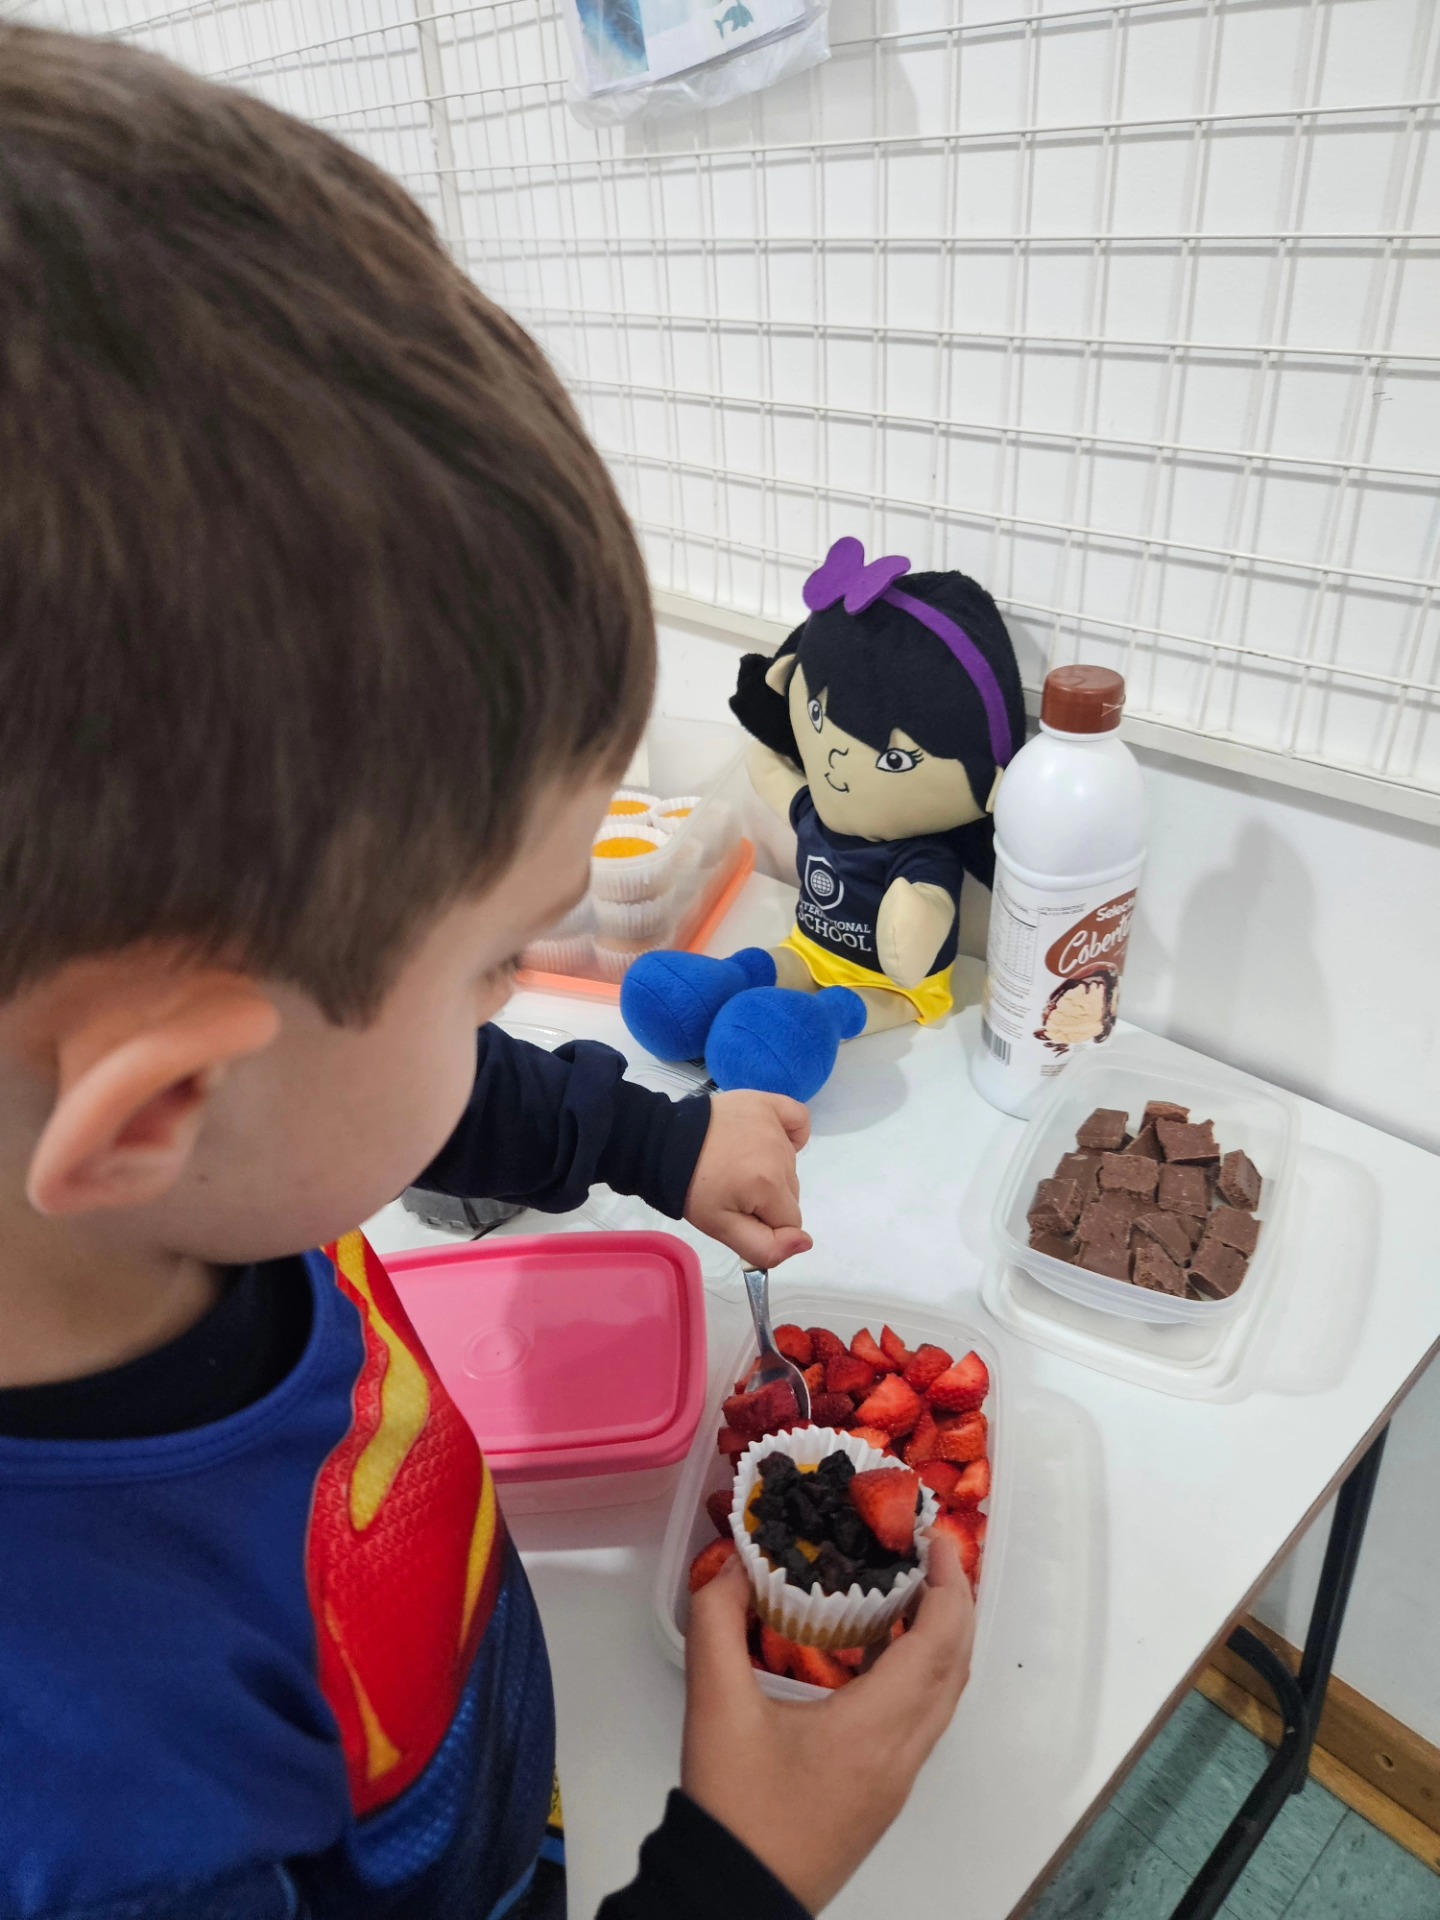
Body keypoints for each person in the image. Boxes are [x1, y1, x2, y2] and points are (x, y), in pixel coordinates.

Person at [0, 26, 975, 1920]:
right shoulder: (97, 1811)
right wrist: (745, 1875)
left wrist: (655, 1144)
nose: (511, 1011)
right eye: (485, 977)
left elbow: (387, 1106)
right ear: (159, 1099)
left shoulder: (174, 1180)